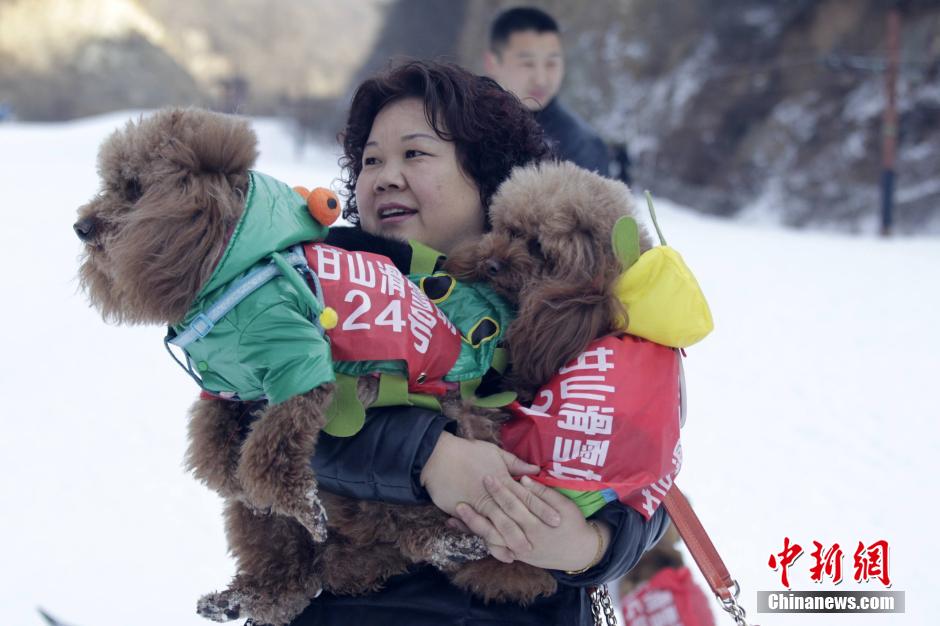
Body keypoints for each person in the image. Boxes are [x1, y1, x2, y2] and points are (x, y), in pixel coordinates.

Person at [289, 60, 668, 626]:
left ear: (486, 174)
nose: (386, 176)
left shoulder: (567, 297)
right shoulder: (320, 284)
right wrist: (429, 457)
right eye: (371, 160)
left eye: (414, 154)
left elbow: (647, 478)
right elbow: (256, 423)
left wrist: (590, 546)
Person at [484, 6, 610, 175]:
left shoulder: (581, 145)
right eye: (527, 63)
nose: (541, 80)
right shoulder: (463, 126)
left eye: (551, 63)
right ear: (492, 63)